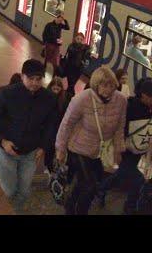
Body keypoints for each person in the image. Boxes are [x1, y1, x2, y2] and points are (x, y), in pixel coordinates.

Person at [0, 59, 57, 211]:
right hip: (6, 152)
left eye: (38, 79)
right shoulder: (6, 94)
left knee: (24, 192)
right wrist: (2, 141)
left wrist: (44, 147)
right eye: (31, 78)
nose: (35, 83)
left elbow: (51, 125)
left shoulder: (48, 98)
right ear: (22, 76)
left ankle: (13, 212)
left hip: (30, 153)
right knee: (9, 190)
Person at [55, 66, 127, 215]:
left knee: (85, 183)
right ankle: (79, 211)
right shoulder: (82, 99)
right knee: (90, 185)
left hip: (102, 150)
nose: (109, 89)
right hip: (79, 148)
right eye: (104, 85)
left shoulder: (121, 100)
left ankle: (70, 204)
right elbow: (66, 124)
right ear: (96, 85)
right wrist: (60, 149)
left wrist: (119, 150)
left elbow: (120, 126)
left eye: (112, 85)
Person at [97, 77, 152, 214]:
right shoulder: (129, 106)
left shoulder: (149, 108)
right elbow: (119, 127)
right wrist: (118, 147)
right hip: (125, 148)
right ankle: (130, 207)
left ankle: (102, 189)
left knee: (122, 175)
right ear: (144, 95)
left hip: (139, 148)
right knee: (137, 179)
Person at [43, 77, 72, 174]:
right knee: (50, 148)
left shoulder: (64, 99)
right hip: (50, 128)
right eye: (54, 89)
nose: (55, 91)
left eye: (58, 89)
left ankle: (54, 166)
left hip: (59, 127)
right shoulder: (46, 97)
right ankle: (48, 166)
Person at [42, 10, 70, 74]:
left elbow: (67, 27)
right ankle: (45, 67)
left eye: (61, 20)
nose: (60, 21)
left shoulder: (60, 25)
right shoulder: (49, 25)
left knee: (55, 59)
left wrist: (64, 19)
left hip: (57, 45)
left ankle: (54, 72)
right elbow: (44, 34)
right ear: (56, 18)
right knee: (48, 57)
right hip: (49, 44)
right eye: (59, 20)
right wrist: (44, 43)